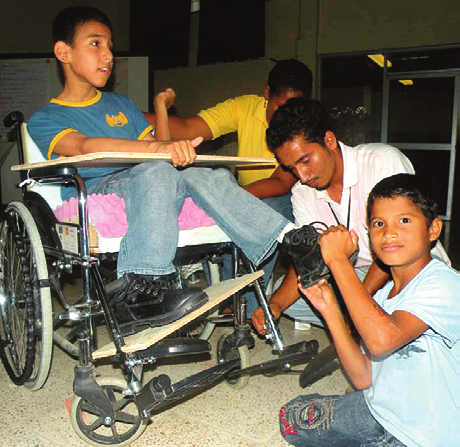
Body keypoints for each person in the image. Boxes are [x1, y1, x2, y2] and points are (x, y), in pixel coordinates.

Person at [27, 6, 304, 336]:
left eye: (110, 46)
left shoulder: (123, 106)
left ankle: (286, 238)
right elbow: (85, 146)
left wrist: (170, 147)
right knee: (158, 172)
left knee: (212, 174)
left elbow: (158, 147)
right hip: (98, 185)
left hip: (143, 177)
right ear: (63, 52)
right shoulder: (46, 118)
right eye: (96, 44)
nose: (109, 55)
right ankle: (141, 286)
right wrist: (159, 150)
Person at [279, 173, 459, 447]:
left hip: (428, 432)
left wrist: (339, 261)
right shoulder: (384, 297)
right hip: (382, 411)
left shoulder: (445, 283)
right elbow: (364, 376)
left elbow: (382, 340)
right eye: (378, 223)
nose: (389, 232)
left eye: (405, 220)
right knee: (292, 418)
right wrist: (330, 310)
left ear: (433, 229)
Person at [252, 98, 449, 333]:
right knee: (289, 298)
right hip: (356, 273)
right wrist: (274, 305)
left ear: (329, 140)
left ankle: (377, 323)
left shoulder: (382, 162)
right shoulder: (302, 193)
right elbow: (308, 260)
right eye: (291, 168)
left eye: (305, 161)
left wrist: (357, 305)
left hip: (411, 265)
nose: (302, 175)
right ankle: (382, 321)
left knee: (414, 291)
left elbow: (399, 242)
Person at [145, 59, 313, 317]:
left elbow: (281, 183)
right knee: (213, 184)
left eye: (292, 107)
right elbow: (189, 128)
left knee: (261, 213)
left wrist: (228, 199)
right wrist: (131, 117)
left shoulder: (303, 122)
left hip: (287, 199)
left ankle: (244, 306)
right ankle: (224, 291)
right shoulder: (245, 107)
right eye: (280, 106)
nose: (285, 116)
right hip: (248, 194)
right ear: (267, 94)